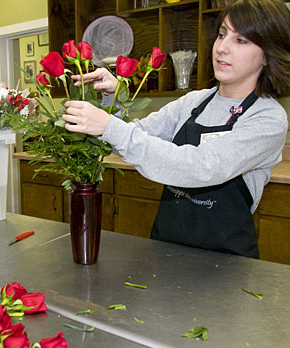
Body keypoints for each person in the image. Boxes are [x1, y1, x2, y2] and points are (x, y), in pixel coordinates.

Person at [62, 0, 290, 258]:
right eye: (222, 34)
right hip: (166, 249)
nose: (222, 48)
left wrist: (111, 127)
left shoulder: (267, 118)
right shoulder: (193, 102)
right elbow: (133, 137)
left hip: (226, 263)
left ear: (268, 55)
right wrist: (112, 99)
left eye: (241, 40)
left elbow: (202, 167)